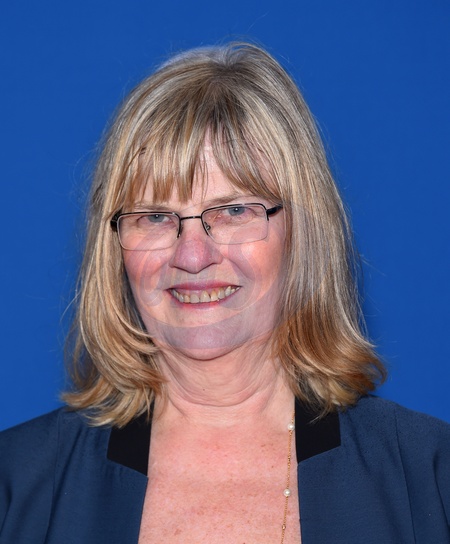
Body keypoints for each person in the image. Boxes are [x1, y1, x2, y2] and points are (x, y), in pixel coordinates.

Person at [0, 42, 449, 544]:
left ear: (303, 232)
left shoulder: (428, 478)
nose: (193, 256)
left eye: (234, 210)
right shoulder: (17, 486)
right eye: (155, 216)